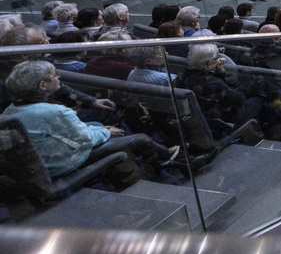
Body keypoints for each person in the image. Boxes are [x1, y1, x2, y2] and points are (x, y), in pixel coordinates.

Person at [2, 60, 176, 181]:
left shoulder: (10, 110)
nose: (59, 79)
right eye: (55, 76)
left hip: (42, 162)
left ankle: (156, 162)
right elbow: (85, 139)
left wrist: (101, 130)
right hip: (61, 164)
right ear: (42, 85)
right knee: (139, 138)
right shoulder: (55, 111)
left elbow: (73, 132)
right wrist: (106, 132)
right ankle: (168, 159)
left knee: (97, 126)